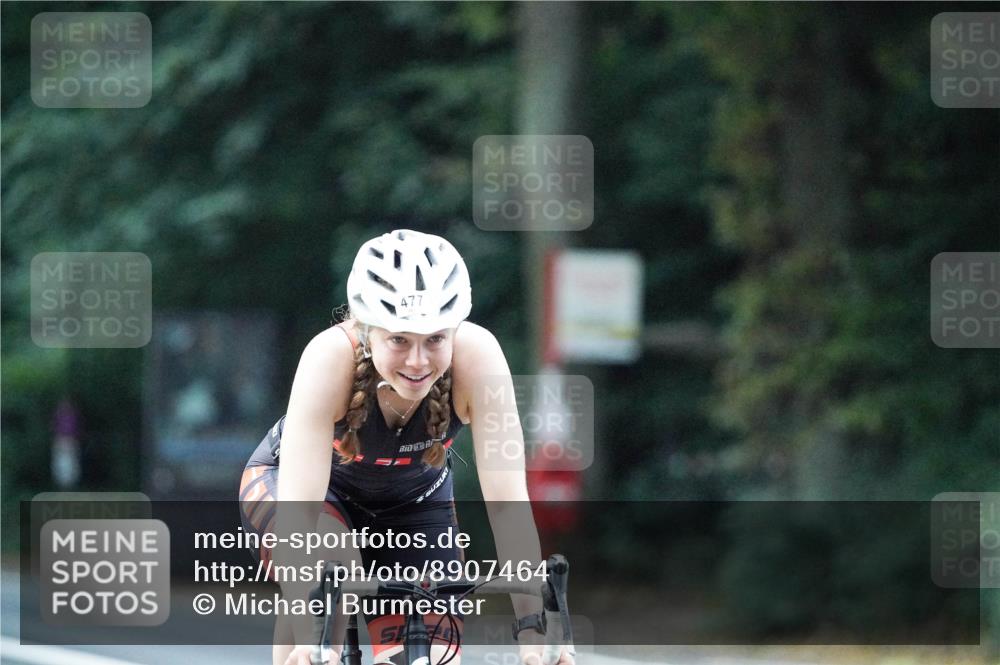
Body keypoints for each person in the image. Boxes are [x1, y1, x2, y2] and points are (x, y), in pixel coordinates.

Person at [238, 230, 575, 665]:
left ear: (455, 330)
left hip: (414, 503)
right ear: (366, 329)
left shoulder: (480, 360)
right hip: (306, 495)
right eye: (399, 339)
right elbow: (299, 515)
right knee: (332, 583)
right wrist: (310, 633)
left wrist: (535, 634)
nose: (418, 361)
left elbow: (508, 507)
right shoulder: (328, 359)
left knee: (433, 657)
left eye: (435, 339)